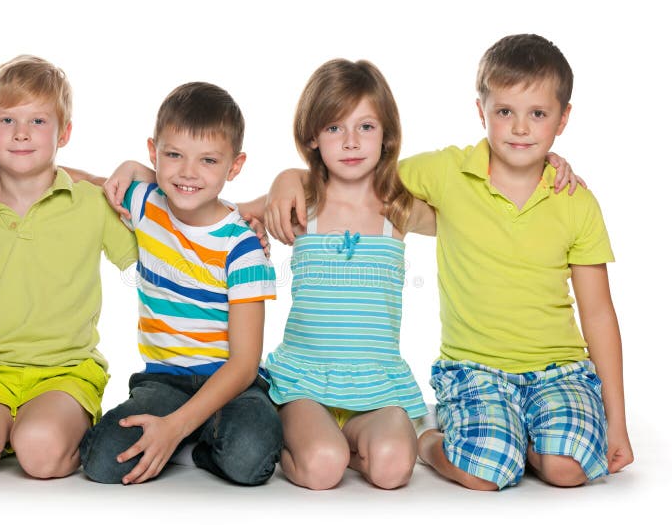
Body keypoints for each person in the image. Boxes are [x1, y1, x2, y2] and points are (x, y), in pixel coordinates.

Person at [266, 34, 633, 490]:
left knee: (565, 471)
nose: (520, 128)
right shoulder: (443, 176)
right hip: (443, 370)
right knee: (475, 472)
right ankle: (477, 442)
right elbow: (343, 179)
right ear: (483, 112)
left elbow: (598, 311)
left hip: (540, 370)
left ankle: (527, 440)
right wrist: (288, 177)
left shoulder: (570, 200)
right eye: (505, 112)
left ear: (561, 119)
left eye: (538, 114)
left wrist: (616, 421)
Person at [0, 55, 139, 479]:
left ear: (65, 133)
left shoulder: (91, 204)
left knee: (40, 454)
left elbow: (151, 253)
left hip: (66, 371)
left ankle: (47, 430)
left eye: (38, 122)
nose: (21, 133)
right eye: (7, 121)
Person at [241, 59, 437, 490]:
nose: (351, 142)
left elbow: (478, 210)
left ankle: (351, 443)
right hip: (305, 382)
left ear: (386, 135)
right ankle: (312, 441)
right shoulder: (300, 202)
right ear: (312, 136)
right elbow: (213, 212)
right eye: (334, 128)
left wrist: (544, 161)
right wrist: (283, 180)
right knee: (323, 468)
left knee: (392, 469)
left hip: (377, 385)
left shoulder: (400, 209)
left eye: (365, 127)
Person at [77, 81, 282, 486]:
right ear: (154, 153)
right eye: (174, 155)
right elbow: (77, 181)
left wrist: (174, 426)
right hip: (164, 379)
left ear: (234, 167)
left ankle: (186, 439)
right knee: (102, 461)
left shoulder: (242, 246)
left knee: (250, 458)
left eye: (208, 160)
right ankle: (180, 434)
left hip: (231, 384)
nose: (187, 172)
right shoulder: (144, 202)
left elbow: (243, 363)